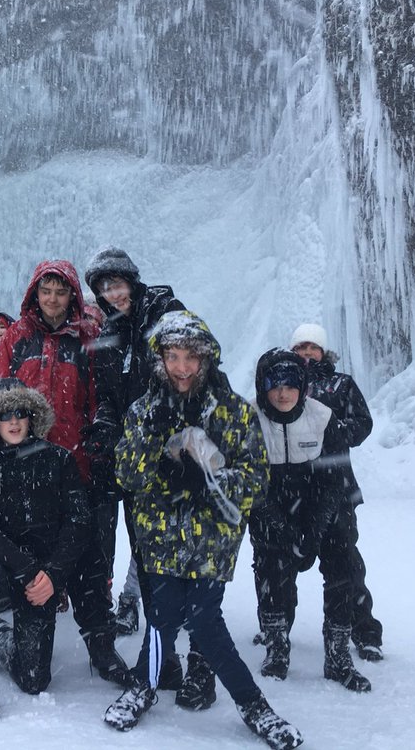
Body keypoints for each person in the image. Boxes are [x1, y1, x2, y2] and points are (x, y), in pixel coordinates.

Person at [104, 310, 302, 750]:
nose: (181, 367)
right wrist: (150, 441)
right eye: (172, 356)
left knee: (203, 620)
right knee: (161, 618)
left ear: (206, 358)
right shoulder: (143, 411)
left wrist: (208, 482)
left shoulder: (232, 412)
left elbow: (256, 479)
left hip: (212, 539)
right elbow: (127, 477)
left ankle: (253, 705)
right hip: (159, 538)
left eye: (190, 357)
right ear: (160, 359)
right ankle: (144, 688)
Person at [0, 260, 129, 686]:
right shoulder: (16, 337)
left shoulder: (87, 337)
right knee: (31, 555)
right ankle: (18, 633)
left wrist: (97, 445)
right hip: (25, 469)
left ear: (72, 296)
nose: (52, 299)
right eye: (45, 291)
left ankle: (101, 646)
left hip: (74, 465)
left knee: (87, 559)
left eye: (60, 291)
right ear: (35, 293)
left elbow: (102, 397)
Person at [82, 248, 185, 672]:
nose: (112, 293)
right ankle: (112, 624)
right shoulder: (108, 331)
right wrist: (105, 424)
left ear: (132, 281)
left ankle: (166, 651)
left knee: (152, 547)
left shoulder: (164, 311)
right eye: (104, 287)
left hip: (159, 451)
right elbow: (109, 394)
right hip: (121, 453)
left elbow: (185, 374)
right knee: (106, 540)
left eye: (117, 283)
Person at [0, 379, 90, 718]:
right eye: (5, 415)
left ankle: (4, 639)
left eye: (20, 413)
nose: (14, 422)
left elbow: (78, 523)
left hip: (44, 575)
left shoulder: (59, 460)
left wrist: (53, 576)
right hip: (4, 567)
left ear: (32, 417)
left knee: (34, 680)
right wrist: (28, 571)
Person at [249, 349, 370, 693]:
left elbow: (333, 480)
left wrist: (314, 531)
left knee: (342, 569)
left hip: (325, 505)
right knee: (271, 569)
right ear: (263, 386)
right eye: (274, 384)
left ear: (302, 386)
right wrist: (282, 528)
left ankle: (338, 654)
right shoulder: (249, 419)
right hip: (272, 506)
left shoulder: (322, 417)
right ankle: (276, 646)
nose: (283, 392)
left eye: (291, 383)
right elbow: (250, 485)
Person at [290, 323, 384, 661]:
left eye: (311, 348)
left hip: (337, 485)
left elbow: (363, 422)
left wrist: (335, 432)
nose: (306, 353)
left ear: (323, 351)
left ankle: (363, 630)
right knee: (283, 562)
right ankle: (276, 629)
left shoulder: (341, 384)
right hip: (294, 487)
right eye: (300, 347)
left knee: (344, 562)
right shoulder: (284, 381)